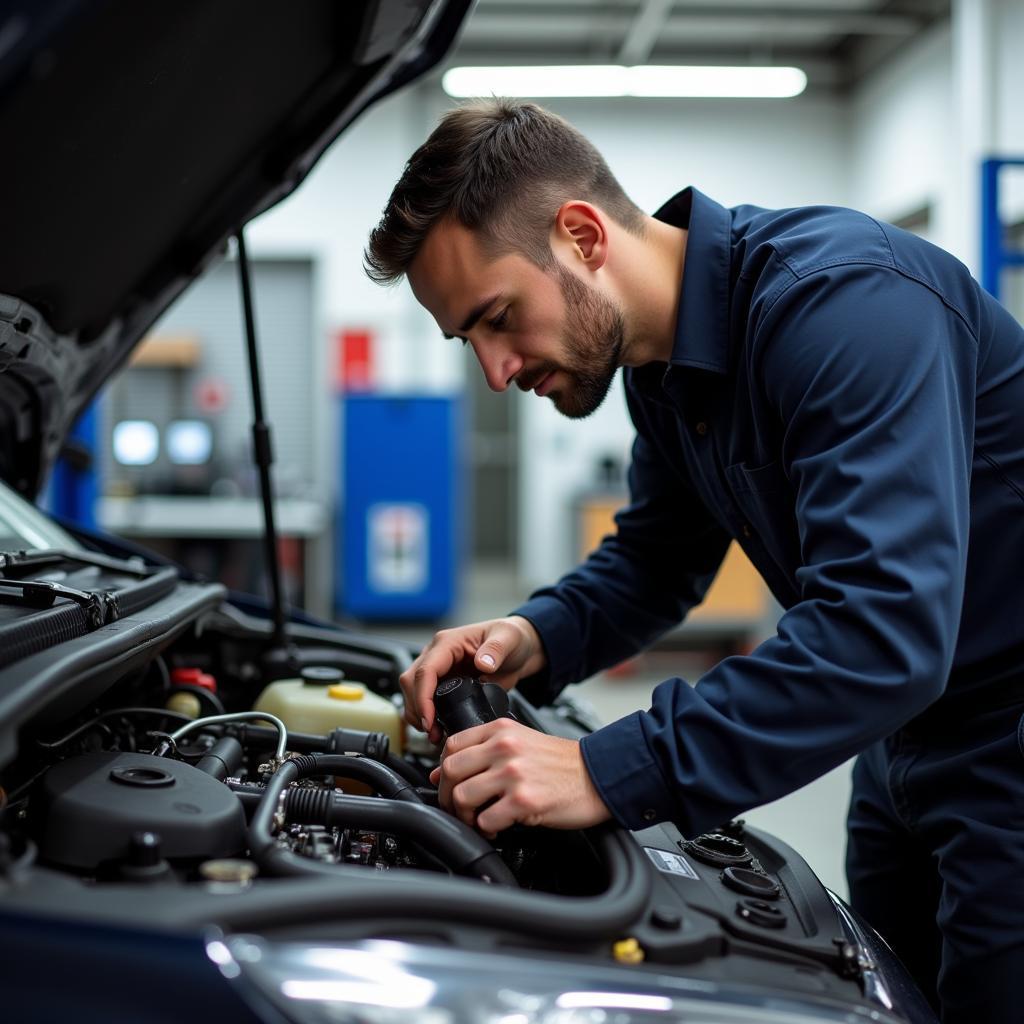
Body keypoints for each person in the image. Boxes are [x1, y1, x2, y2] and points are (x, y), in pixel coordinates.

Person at [364, 99, 1024, 1023]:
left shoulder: (845, 307)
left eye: (498, 317)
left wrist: (600, 769)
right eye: (468, 340)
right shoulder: (660, 373)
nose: (495, 372)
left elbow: (881, 633)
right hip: (903, 742)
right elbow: (657, 562)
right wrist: (528, 637)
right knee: (889, 1000)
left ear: (583, 234)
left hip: (1006, 732)